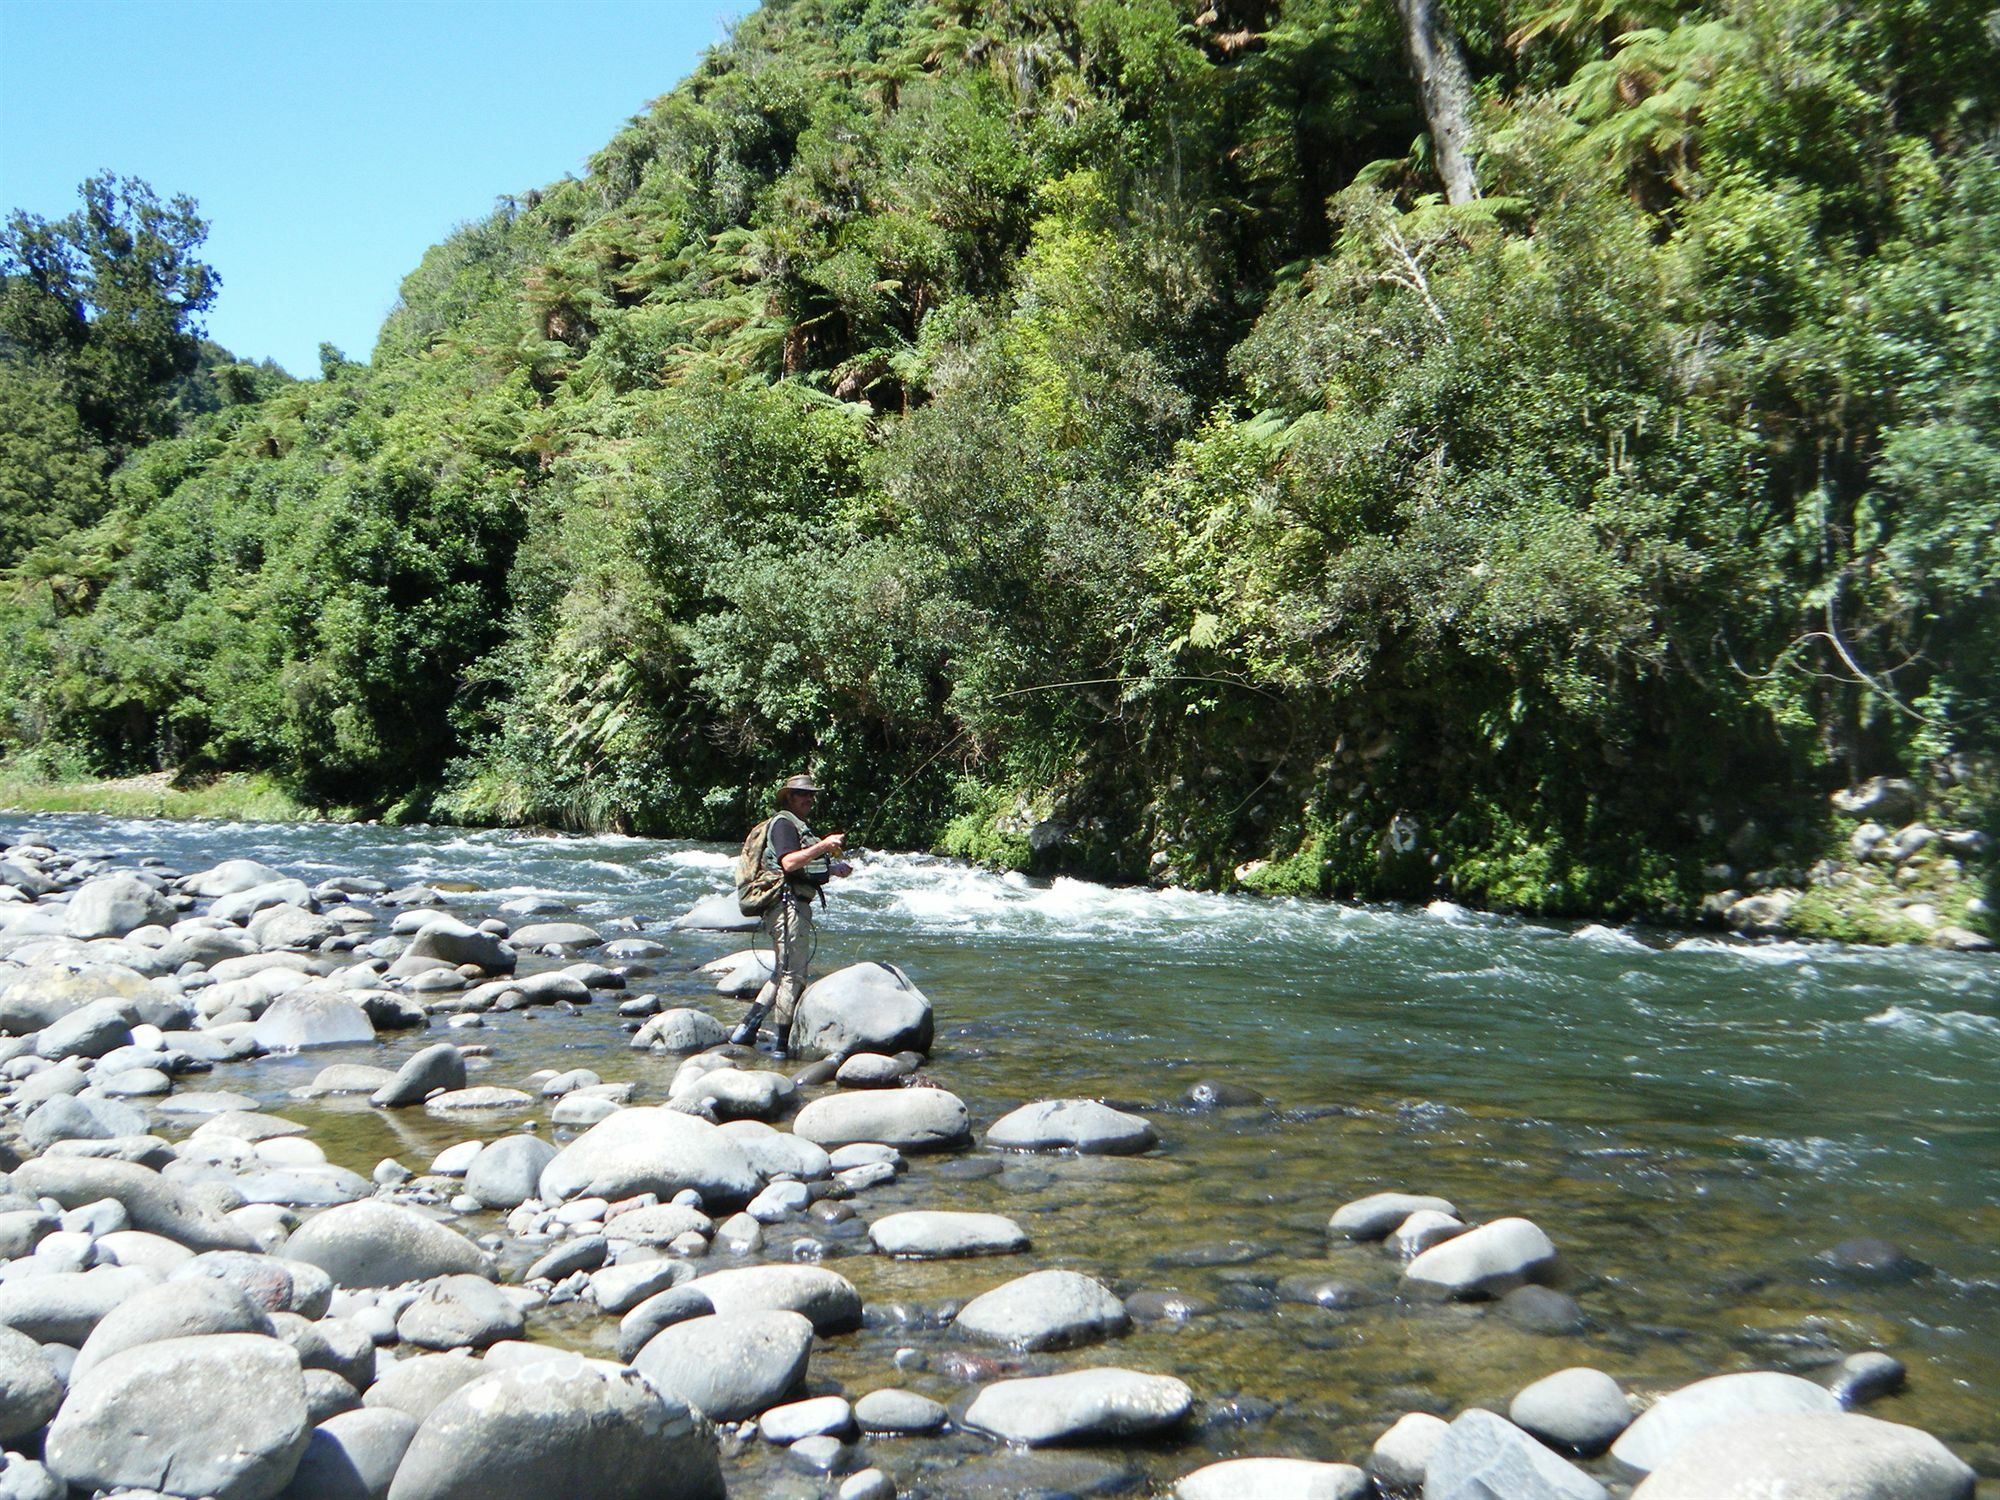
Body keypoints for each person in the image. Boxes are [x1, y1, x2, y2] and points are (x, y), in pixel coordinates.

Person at [731, 773, 852, 1051]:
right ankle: (781, 1048)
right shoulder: (785, 823)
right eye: (803, 794)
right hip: (787, 907)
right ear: (789, 798)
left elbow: (798, 868)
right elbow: (788, 863)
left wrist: (833, 869)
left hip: (787, 905)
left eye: (811, 795)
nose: (809, 799)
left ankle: (745, 1030)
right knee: (792, 976)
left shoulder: (791, 825)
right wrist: (823, 845)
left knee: (782, 972)